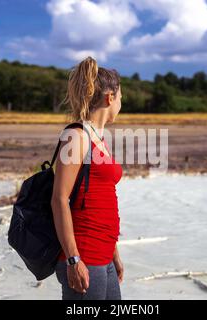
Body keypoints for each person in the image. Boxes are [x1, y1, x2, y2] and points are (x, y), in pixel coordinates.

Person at [51, 56, 124, 300]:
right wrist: (73, 259)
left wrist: (114, 252)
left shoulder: (98, 139)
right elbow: (59, 199)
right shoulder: (76, 136)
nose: (121, 104)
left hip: (104, 255)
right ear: (110, 98)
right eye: (121, 98)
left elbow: (101, 198)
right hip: (84, 254)